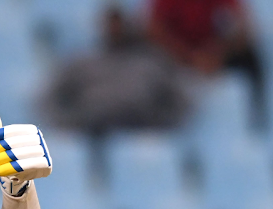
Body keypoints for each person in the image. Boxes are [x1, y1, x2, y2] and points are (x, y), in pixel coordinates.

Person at [43, 6, 190, 135]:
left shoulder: (150, 63)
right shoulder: (82, 63)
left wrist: (157, 124)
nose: (115, 29)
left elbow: (180, 101)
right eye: (111, 24)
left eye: (119, 24)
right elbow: (50, 98)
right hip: (92, 130)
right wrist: (72, 122)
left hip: (139, 130)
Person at [146, 0, 266, 130]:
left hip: (212, 52)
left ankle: (258, 124)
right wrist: (190, 56)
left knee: (251, 58)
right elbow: (153, 31)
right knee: (148, 63)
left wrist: (218, 52)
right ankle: (158, 127)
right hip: (176, 54)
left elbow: (244, 27)